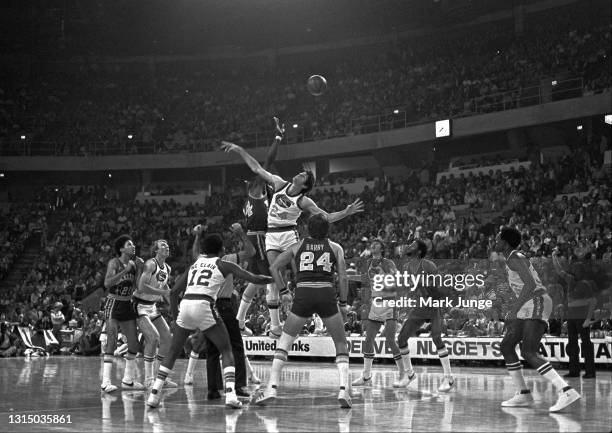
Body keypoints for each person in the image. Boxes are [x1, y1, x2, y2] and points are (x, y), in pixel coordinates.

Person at [222, 140, 363, 338]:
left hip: (289, 235)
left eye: (303, 175)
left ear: (305, 184)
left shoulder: (304, 200)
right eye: (301, 172)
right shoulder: (279, 183)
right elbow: (256, 167)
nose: (299, 173)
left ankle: (317, 319)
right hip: (271, 234)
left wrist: (346, 212)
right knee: (274, 270)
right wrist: (239, 150)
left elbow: (327, 217)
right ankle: (284, 298)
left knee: (302, 276)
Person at [147, 233, 273, 409]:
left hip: (186, 305)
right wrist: (274, 278)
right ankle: (230, 395)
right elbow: (254, 278)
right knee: (226, 349)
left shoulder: (194, 264)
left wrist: (176, 318)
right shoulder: (224, 263)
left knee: (173, 352)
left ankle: (154, 395)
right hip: (205, 304)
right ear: (221, 249)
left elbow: (174, 291)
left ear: (204, 249)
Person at [254, 214, 352, 408]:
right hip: (326, 292)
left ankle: (271, 387)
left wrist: (283, 291)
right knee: (340, 343)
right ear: (327, 230)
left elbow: (274, 267)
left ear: (308, 229)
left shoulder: (297, 246)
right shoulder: (335, 248)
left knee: (285, 341)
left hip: (304, 292)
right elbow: (343, 278)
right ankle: (344, 390)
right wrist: (342, 303)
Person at [496, 227, 580, 412]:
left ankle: (565, 390)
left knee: (529, 351)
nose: (495, 242)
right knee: (507, 346)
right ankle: (523, 394)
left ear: (505, 242)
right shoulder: (512, 258)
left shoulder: (515, 258)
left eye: (497, 239)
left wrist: (514, 310)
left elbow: (531, 285)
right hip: (528, 303)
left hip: (536, 300)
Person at [183, 222, 255, 398]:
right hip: (223, 305)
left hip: (207, 306)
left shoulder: (200, 261)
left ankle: (213, 389)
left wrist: (197, 236)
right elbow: (251, 252)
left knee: (212, 350)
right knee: (236, 346)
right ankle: (239, 386)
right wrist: (240, 233)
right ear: (222, 248)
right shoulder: (227, 259)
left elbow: (193, 253)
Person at [236, 118, 283, 334]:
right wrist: (278, 137)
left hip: (253, 238)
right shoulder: (257, 189)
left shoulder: (255, 196)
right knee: (271, 278)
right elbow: (267, 162)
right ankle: (275, 326)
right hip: (261, 238)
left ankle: (239, 320)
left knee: (255, 280)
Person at [395, 239, 454, 391]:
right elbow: (407, 287)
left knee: (436, 337)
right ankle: (409, 374)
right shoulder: (407, 267)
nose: (409, 246)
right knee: (401, 338)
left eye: (413, 245)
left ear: (419, 251)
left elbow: (440, 287)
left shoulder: (428, 265)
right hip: (420, 306)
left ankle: (449, 378)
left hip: (434, 305)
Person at [349, 239, 407, 388]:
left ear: (382, 248)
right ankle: (366, 376)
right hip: (376, 302)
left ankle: (403, 374)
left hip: (389, 302)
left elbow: (396, 278)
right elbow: (365, 279)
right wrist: (347, 277)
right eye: (372, 243)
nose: (373, 244)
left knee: (389, 339)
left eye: (377, 243)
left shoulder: (388, 263)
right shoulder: (368, 263)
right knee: (368, 340)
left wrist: (385, 274)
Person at [101, 235, 145, 393]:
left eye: (133, 244)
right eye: (129, 244)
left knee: (134, 344)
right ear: (121, 248)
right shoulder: (115, 263)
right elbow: (107, 283)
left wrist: (139, 268)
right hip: (113, 302)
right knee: (112, 339)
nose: (133, 246)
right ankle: (106, 382)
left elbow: (138, 287)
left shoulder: (134, 264)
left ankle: (128, 380)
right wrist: (124, 271)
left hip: (127, 303)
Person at [133, 239, 177, 388]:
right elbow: (141, 286)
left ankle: (160, 378)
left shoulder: (168, 268)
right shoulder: (150, 264)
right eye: (163, 245)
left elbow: (166, 290)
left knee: (167, 339)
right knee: (153, 338)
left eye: (167, 245)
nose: (167, 246)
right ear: (156, 250)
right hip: (138, 305)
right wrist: (161, 292)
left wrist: (175, 307)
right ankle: (148, 379)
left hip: (152, 306)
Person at [551, 256, 596, 378]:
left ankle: (590, 371)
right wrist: (554, 257)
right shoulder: (570, 280)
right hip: (571, 315)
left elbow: (592, 301)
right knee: (572, 344)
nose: (573, 271)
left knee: (586, 343)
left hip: (582, 315)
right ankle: (574, 371)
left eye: (576, 269)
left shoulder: (585, 284)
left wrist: (588, 319)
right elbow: (560, 271)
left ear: (581, 272)